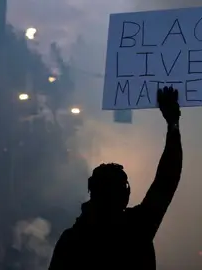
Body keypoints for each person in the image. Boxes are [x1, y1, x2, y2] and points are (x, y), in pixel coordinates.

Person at [48, 87, 183, 270]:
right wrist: (173, 124)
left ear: (92, 192)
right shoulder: (135, 229)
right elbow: (167, 179)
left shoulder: (72, 239)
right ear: (125, 193)